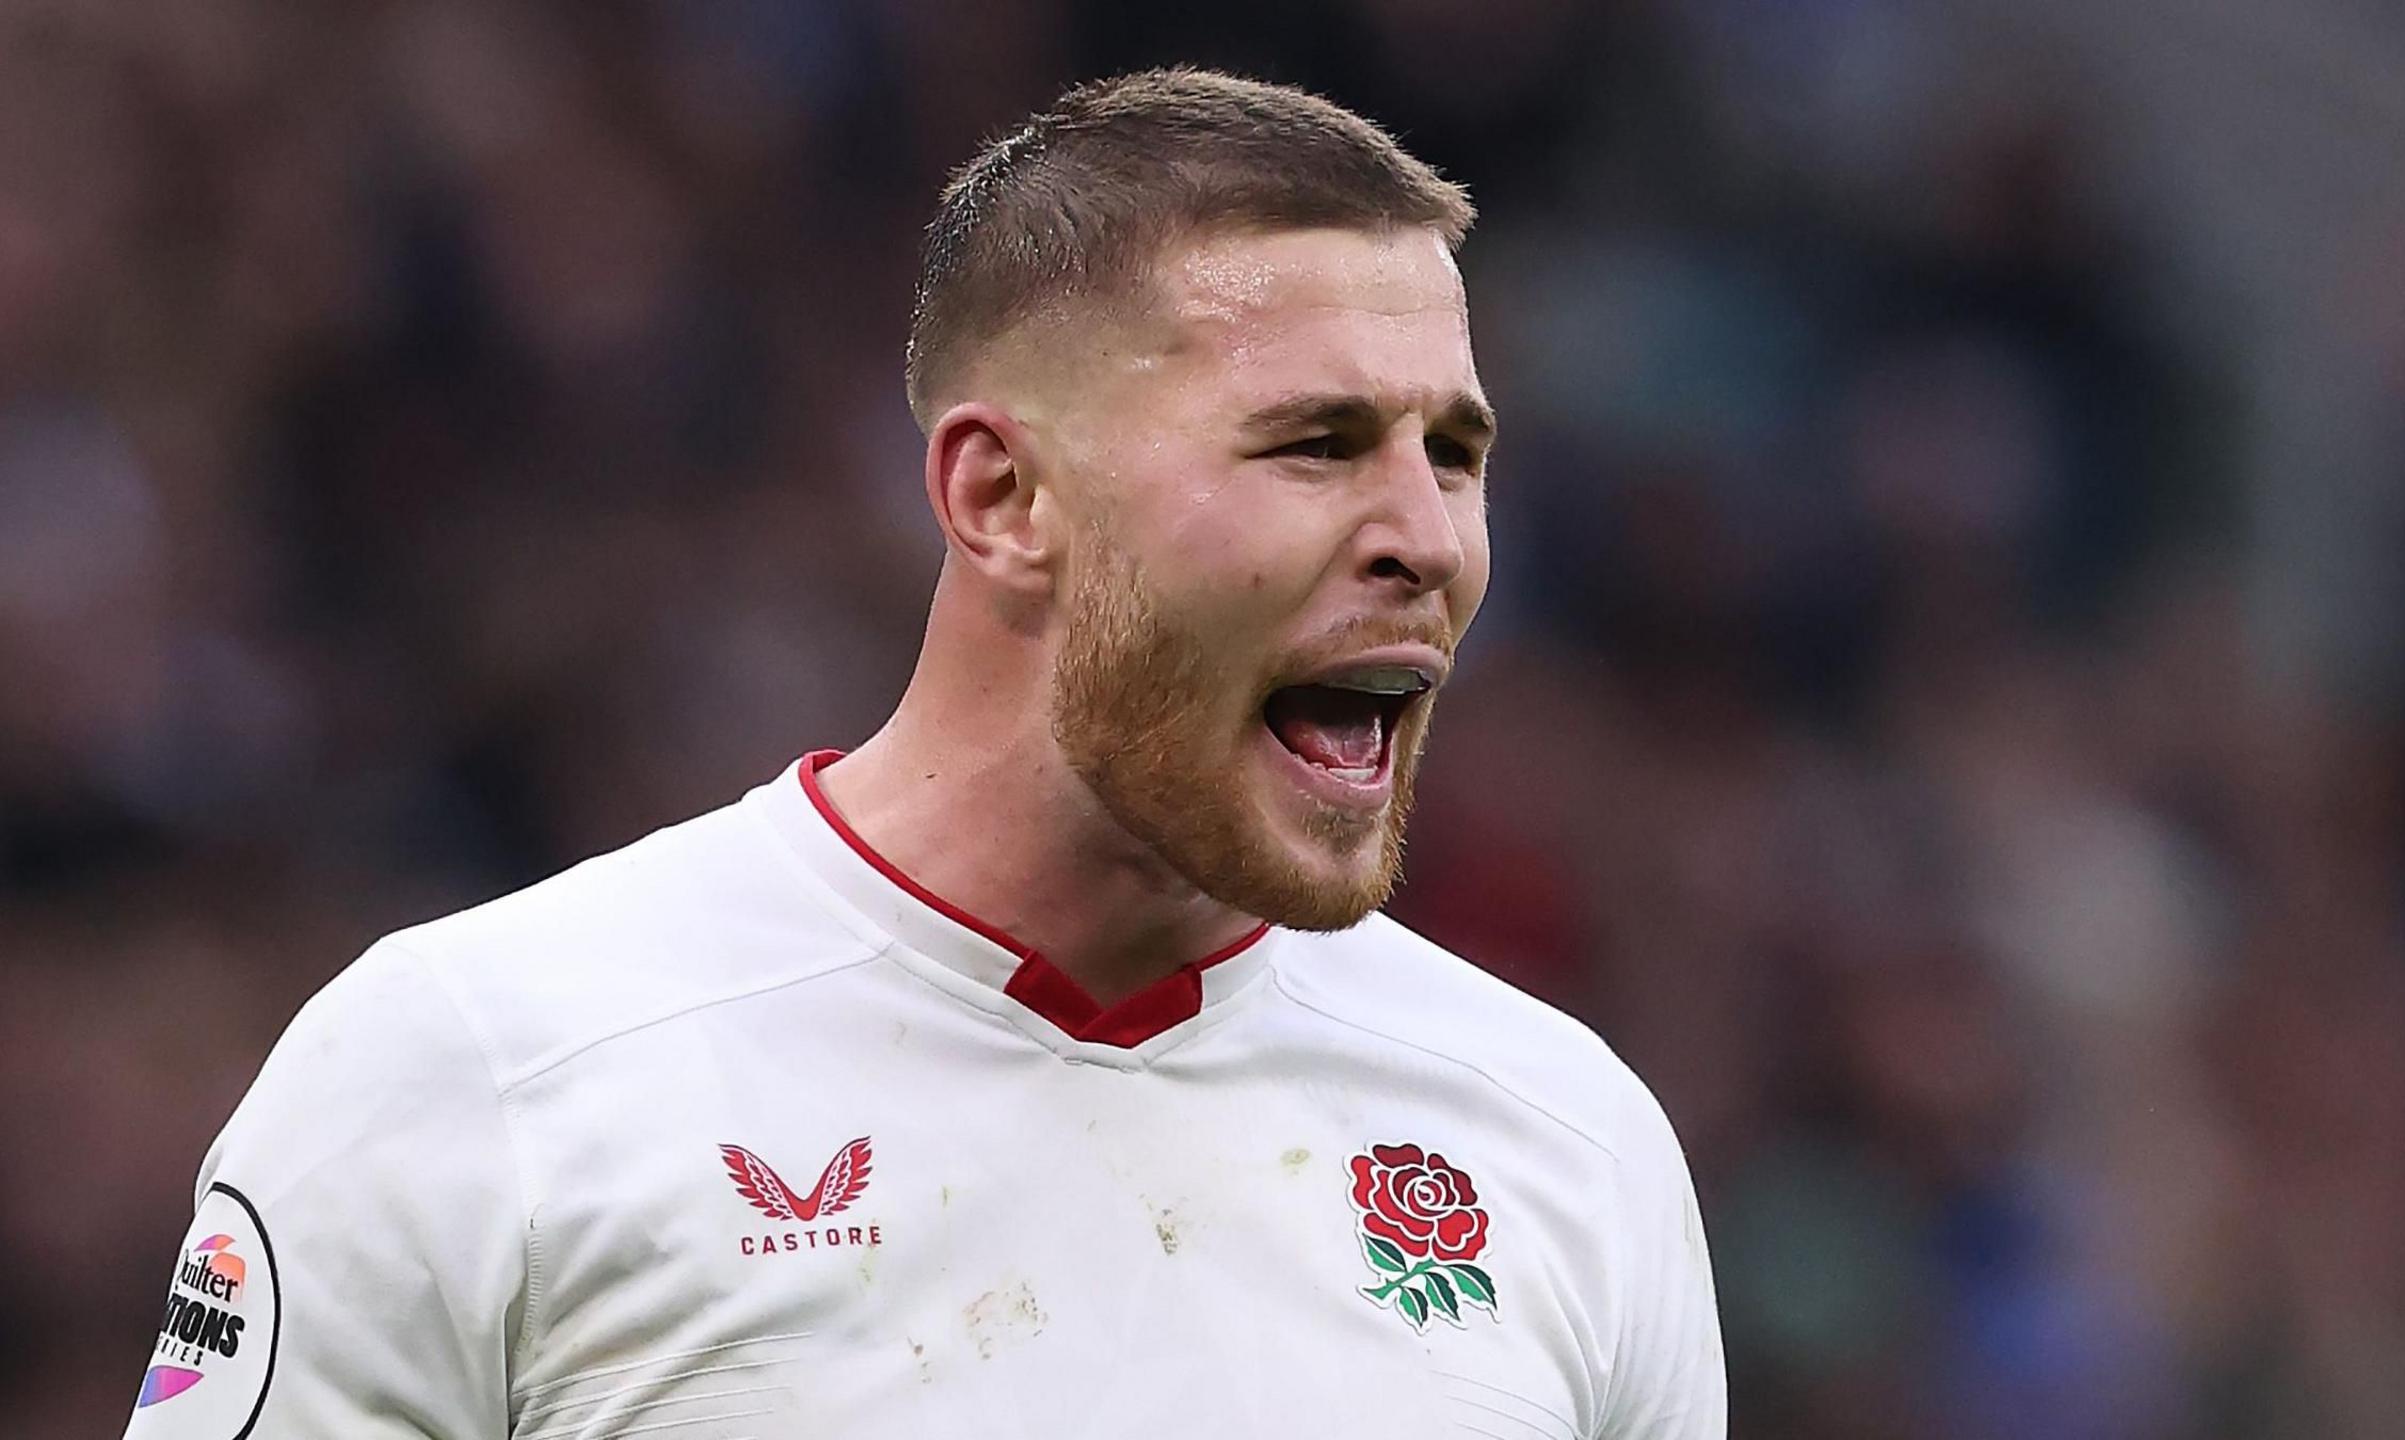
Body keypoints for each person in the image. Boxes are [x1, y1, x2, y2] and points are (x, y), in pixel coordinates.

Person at [123, 68, 1726, 1439]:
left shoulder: (1563, 1143)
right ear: (1002, 500)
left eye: (1454, 454)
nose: (1426, 540)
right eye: (1317, 444)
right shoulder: (481, 1069)